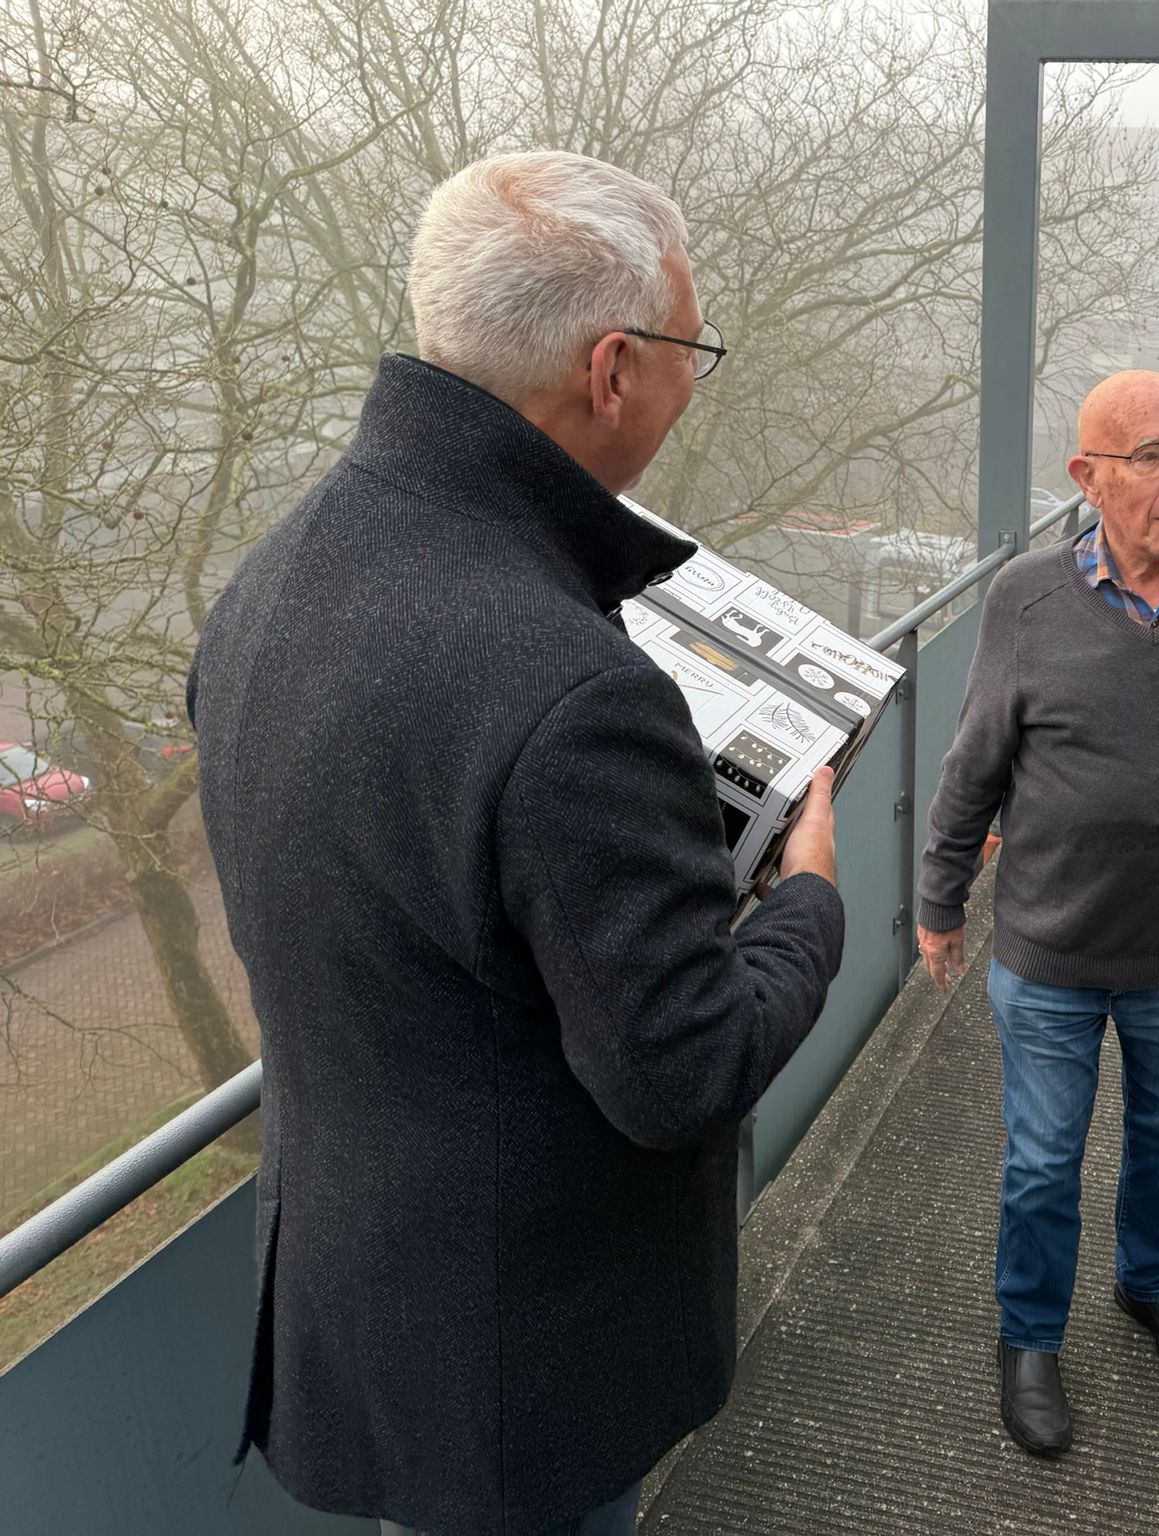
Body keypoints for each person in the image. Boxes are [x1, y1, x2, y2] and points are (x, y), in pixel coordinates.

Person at [187, 152, 845, 1536]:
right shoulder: (569, 685)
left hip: (362, 1296)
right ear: (612, 369)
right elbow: (686, 1070)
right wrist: (809, 899)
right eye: (690, 352)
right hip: (520, 1366)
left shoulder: (270, 581)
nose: (687, 384)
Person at [915, 369, 1159, 1454]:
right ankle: (1028, 1333)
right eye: (1148, 457)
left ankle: (1150, 1284)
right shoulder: (1027, 600)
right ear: (1084, 477)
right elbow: (970, 767)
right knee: (1042, 1158)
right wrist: (937, 900)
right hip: (1048, 949)